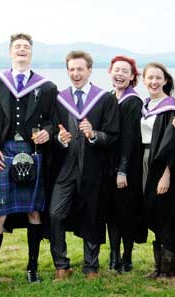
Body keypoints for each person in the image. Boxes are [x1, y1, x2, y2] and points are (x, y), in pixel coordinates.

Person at [0, 33, 57, 285]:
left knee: (34, 211)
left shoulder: (45, 86)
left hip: (32, 153)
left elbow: (52, 121)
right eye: (17, 47)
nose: (22, 50)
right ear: (10, 52)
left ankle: (32, 268)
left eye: (26, 47)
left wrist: (49, 131)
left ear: (31, 53)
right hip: (3, 152)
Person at [48, 50, 119, 279]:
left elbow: (113, 135)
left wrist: (94, 134)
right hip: (66, 168)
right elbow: (52, 130)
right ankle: (61, 264)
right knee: (55, 214)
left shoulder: (105, 99)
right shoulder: (59, 99)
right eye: (71, 69)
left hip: (92, 168)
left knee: (92, 214)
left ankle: (91, 266)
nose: (75, 73)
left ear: (89, 70)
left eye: (80, 69)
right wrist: (59, 139)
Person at [139, 62, 175, 279]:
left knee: (166, 214)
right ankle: (159, 267)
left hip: (161, 165)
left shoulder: (170, 108)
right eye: (150, 77)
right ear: (144, 80)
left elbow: (173, 145)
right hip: (144, 161)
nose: (153, 81)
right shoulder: (145, 104)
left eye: (158, 78)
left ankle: (168, 270)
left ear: (165, 80)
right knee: (152, 210)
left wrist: (166, 174)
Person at [106, 55, 146, 273]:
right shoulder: (109, 97)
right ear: (110, 73)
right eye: (116, 70)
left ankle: (127, 257)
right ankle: (113, 255)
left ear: (132, 77)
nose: (119, 74)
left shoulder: (133, 101)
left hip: (127, 165)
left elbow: (130, 138)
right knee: (111, 212)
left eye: (125, 71)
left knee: (126, 213)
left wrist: (122, 170)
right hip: (109, 164)